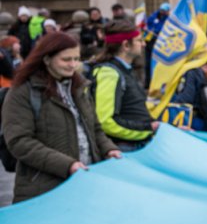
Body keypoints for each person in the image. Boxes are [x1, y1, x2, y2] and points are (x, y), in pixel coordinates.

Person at [1, 32, 120, 203]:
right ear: (47, 59)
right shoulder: (23, 91)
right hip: (44, 191)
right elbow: (20, 142)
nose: (73, 65)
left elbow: (94, 129)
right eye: (66, 59)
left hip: (86, 182)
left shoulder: (80, 88)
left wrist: (109, 149)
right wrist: (68, 165)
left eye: (76, 59)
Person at [89, 20, 159, 151]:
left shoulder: (126, 70)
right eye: (139, 40)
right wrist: (147, 129)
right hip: (124, 147)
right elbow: (105, 122)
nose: (143, 44)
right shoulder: (109, 73)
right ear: (126, 45)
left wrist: (157, 126)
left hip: (134, 144)